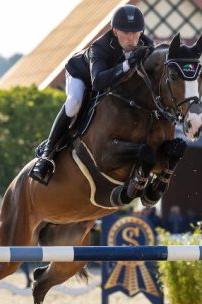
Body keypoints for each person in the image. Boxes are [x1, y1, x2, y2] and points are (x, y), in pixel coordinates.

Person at [29, 5, 155, 185]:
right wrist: (127, 65)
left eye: (136, 33)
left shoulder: (147, 45)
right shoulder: (100, 46)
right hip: (82, 75)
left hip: (110, 81)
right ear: (115, 30)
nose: (131, 38)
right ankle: (47, 154)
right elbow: (98, 82)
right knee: (74, 103)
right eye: (126, 33)